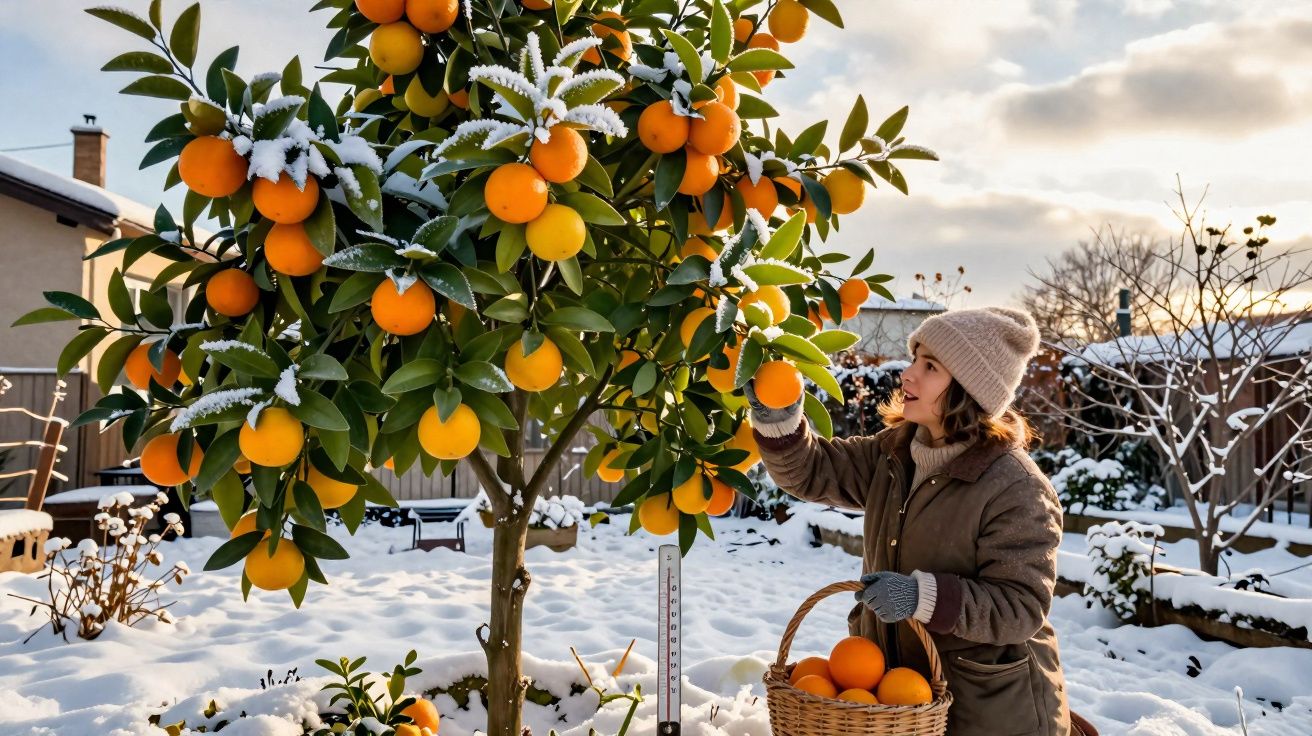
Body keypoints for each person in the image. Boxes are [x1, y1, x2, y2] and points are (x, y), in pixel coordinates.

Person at [746, 307, 1098, 736]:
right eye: (915, 358)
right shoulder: (893, 453)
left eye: (929, 366)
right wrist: (777, 414)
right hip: (902, 701)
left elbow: (1019, 608)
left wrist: (921, 596)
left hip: (987, 713)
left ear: (970, 389)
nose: (907, 374)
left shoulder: (1015, 487)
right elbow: (812, 470)